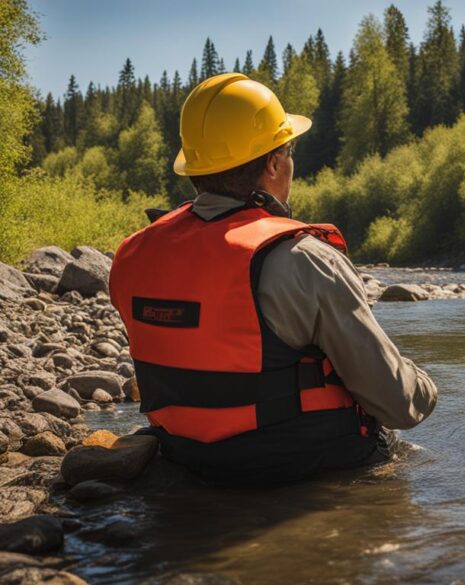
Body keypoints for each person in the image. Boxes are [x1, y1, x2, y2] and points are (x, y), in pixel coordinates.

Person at [108, 73, 437, 484]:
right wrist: (425, 385)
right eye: (288, 153)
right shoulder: (305, 259)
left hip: (185, 458)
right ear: (274, 163)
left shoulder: (132, 254)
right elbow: (399, 406)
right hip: (302, 467)